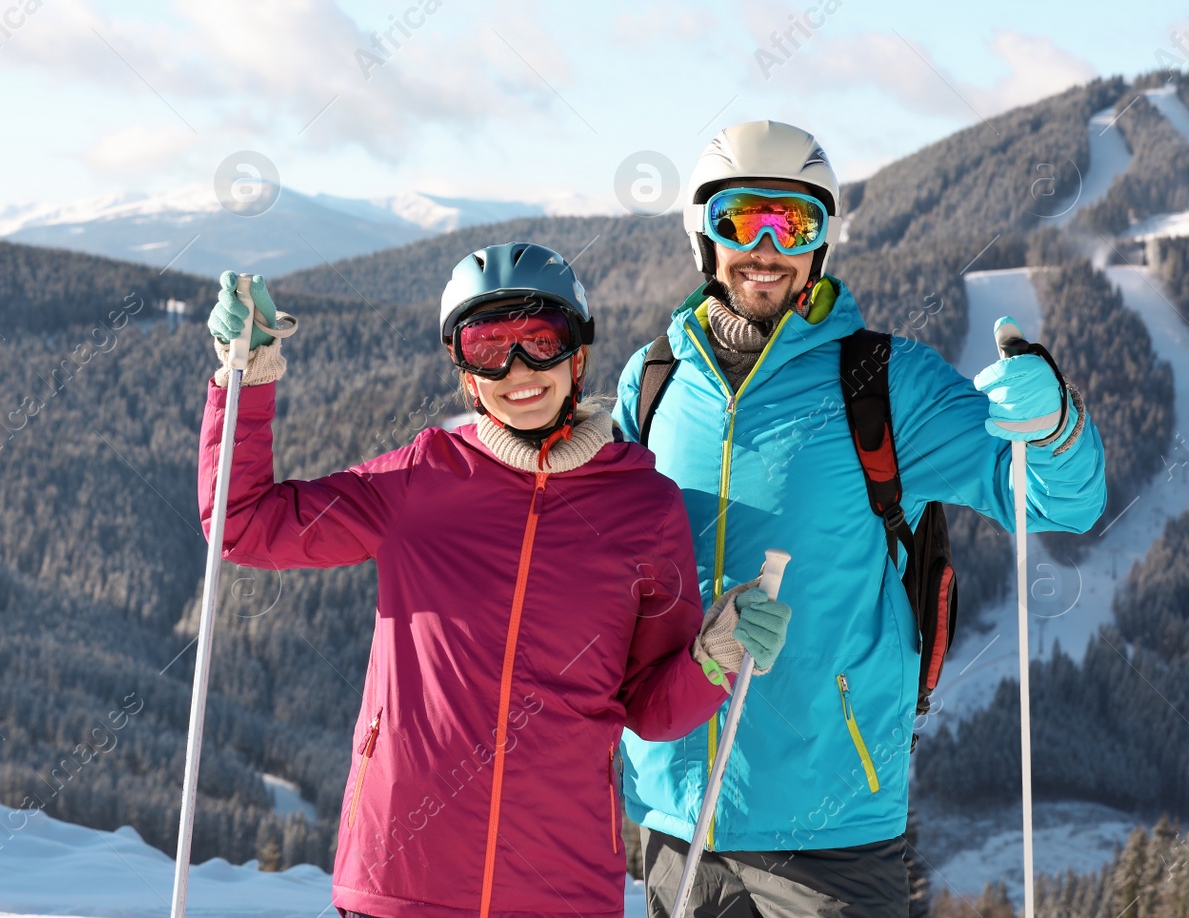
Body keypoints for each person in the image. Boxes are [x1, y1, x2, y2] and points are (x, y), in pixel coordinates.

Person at [197, 242, 793, 918]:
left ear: (578, 353)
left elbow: (654, 709)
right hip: (400, 879)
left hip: (560, 889)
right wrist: (245, 374)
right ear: (464, 369)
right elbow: (241, 524)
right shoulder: (420, 481)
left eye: (541, 339)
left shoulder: (642, 506)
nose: (519, 369)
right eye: (489, 346)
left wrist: (715, 654)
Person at [614, 121, 1108, 918]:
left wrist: (1051, 425)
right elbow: (603, 561)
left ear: (823, 241)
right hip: (675, 816)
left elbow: (1062, 498)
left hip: (831, 828)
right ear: (702, 234)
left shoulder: (882, 382)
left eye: (795, 223)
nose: (767, 246)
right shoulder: (654, 385)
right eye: (742, 219)